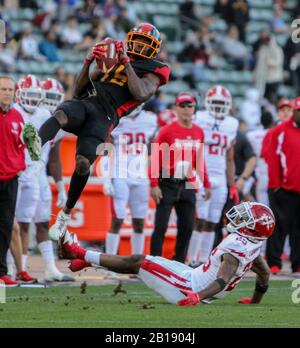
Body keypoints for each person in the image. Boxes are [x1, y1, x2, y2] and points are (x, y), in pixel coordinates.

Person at [22, 23, 170, 241]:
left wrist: (125, 62)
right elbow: (78, 89)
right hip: (88, 100)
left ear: (153, 48)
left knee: (83, 163)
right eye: (136, 40)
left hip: (107, 114)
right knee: (61, 114)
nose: (138, 45)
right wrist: (88, 62)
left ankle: (65, 215)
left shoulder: (156, 68)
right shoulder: (114, 56)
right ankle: (34, 146)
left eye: (144, 43)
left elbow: (139, 93)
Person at [60, 201, 275, 306]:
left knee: (137, 261)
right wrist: (254, 301)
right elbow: (264, 274)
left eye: (243, 218)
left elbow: (222, 280)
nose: (237, 218)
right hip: (193, 276)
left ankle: (77, 252)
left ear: (251, 227)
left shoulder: (236, 244)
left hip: (189, 287)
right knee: (142, 262)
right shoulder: (252, 244)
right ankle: (88, 261)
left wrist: (197, 296)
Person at [14, 75, 73, 282]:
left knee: (41, 220)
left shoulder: (45, 115)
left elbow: (53, 156)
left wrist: (60, 185)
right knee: (16, 222)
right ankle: (15, 268)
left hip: (38, 173)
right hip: (16, 171)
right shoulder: (13, 112)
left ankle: (49, 268)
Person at [150, 92, 211, 263]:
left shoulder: (199, 132)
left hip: (188, 182)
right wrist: (154, 183)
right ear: (176, 108)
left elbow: (199, 159)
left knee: (187, 226)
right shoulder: (166, 131)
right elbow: (155, 157)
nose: (186, 109)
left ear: (194, 108)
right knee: (161, 225)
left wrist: (206, 183)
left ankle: (179, 262)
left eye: (189, 106)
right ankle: (155, 262)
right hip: (167, 181)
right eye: (182, 106)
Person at [188, 85, 239, 267]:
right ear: (208, 103)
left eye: (221, 103)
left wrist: (232, 184)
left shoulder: (232, 123)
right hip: (202, 175)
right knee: (199, 219)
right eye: (215, 102)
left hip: (220, 177)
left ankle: (204, 261)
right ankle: (191, 259)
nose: (218, 106)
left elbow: (230, 157)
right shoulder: (199, 118)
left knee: (212, 221)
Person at [102, 105, 157, 256]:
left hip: (141, 177)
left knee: (139, 223)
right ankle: (110, 262)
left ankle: (136, 263)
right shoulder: (116, 117)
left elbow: (154, 151)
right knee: (117, 220)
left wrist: (154, 179)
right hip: (120, 175)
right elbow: (106, 150)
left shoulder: (150, 119)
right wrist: (106, 178)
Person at [263, 96, 300, 275]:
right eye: (298, 111)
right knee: (278, 227)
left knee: (298, 230)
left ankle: (297, 263)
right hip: (284, 189)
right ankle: (274, 262)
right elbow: (272, 158)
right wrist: (275, 185)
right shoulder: (280, 131)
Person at [0, 76, 25, 286]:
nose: (7, 93)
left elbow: (21, 146)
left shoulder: (18, 116)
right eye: (3, 89)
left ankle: (2, 271)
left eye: (10, 89)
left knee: (6, 226)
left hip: (11, 179)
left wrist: (19, 168)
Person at [246, 112, 274, 206]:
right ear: (271, 122)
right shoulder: (275, 133)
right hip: (272, 171)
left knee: (261, 203)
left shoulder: (251, 135)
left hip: (258, 170)